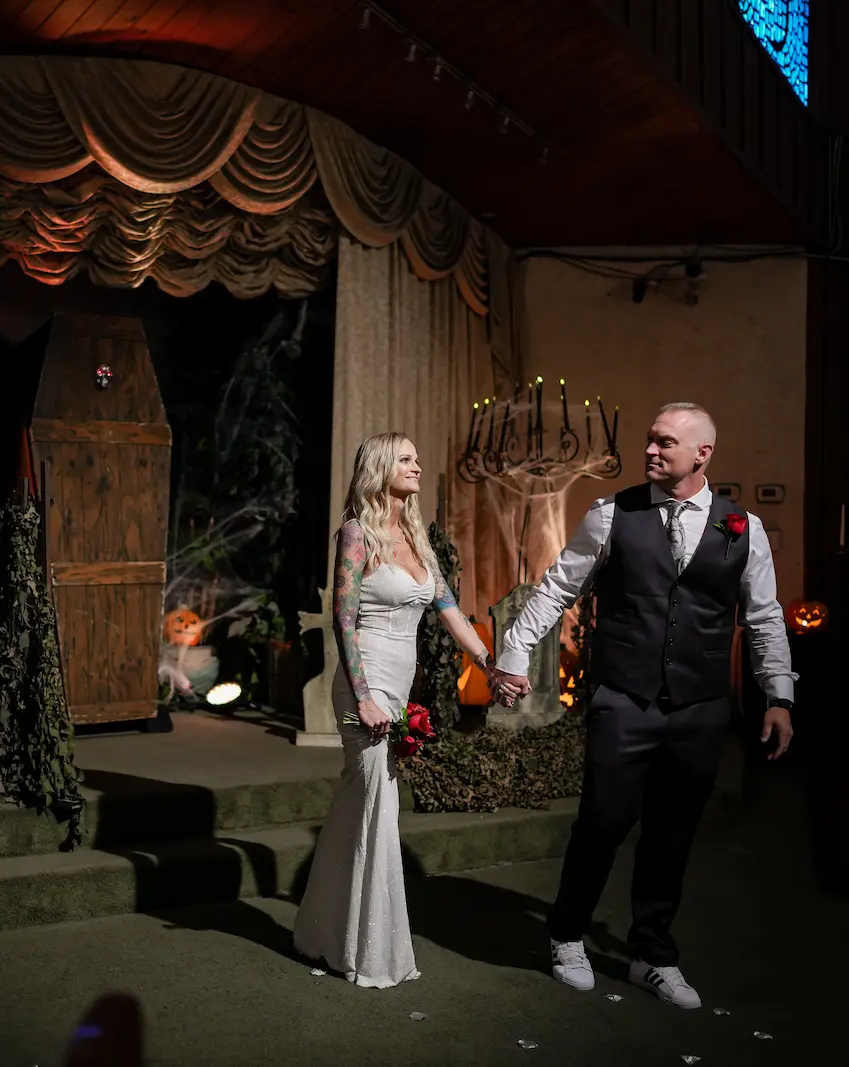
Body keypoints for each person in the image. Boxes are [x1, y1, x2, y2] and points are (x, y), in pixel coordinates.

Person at [491, 402, 795, 1010]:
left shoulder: (744, 529)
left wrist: (779, 695)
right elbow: (557, 587)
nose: (651, 451)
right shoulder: (611, 514)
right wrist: (514, 654)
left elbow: (763, 618)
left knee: (671, 834)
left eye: (664, 442)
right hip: (623, 698)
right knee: (602, 823)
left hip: (699, 706)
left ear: (702, 454)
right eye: (649, 441)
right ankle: (568, 935)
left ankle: (652, 955)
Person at [293, 431, 505, 987]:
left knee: (358, 797)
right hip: (356, 693)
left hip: (397, 686)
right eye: (407, 458)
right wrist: (361, 697)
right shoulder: (356, 535)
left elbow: (451, 611)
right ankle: (372, 952)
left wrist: (489, 664)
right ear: (382, 467)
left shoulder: (417, 539)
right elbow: (343, 621)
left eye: (417, 456)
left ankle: (324, 933)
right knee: (377, 797)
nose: (417, 465)